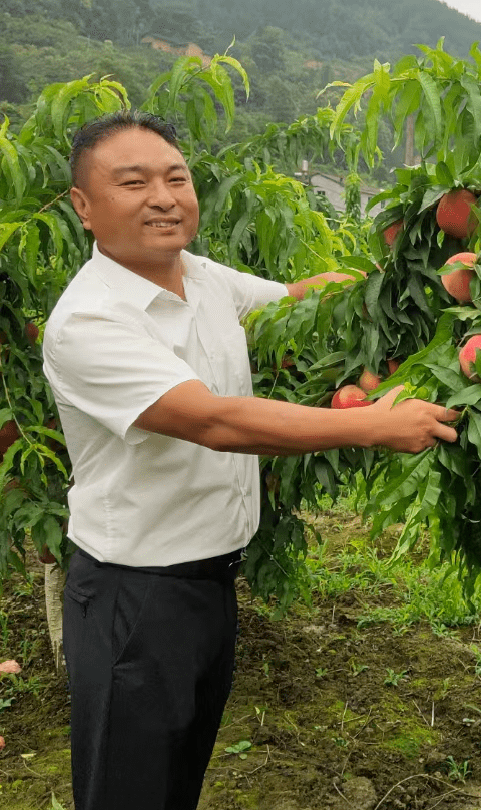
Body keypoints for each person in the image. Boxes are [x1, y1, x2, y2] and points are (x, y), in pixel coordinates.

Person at [42, 110, 459, 810]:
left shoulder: (200, 277)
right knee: (127, 792)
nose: (164, 197)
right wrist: (372, 426)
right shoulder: (88, 320)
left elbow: (296, 303)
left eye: (176, 178)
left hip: (209, 586)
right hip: (133, 596)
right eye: (134, 182)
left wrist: (401, 272)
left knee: (177, 784)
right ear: (84, 206)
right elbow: (213, 420)